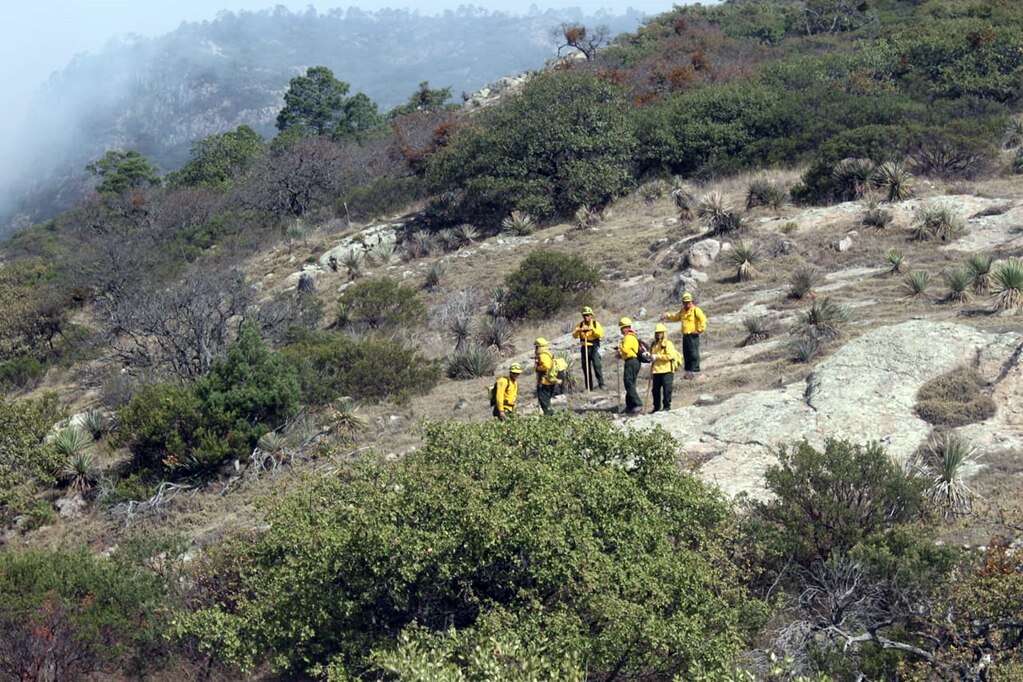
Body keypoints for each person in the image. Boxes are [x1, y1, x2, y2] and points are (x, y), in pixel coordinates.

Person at [661, 292, 707, 375]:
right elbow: (675, 317)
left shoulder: (696, 310)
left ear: (691, 301)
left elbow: (703, 319)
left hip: (693, 335)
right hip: (685, 335)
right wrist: (667, 315)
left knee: (693, 353)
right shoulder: (682, 311)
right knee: (686, 353)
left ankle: (695, 369)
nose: (686, 304)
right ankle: (688, 370)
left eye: (688, 302)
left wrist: (700, 329)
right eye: (685, 302)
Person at [571, 306, 605, 390]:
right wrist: (579, 330)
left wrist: (592, 330)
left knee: (597, 365)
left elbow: (600, 334)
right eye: (584, 315)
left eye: (587, 315)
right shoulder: (581, 324)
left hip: (593, 347)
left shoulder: (595, 324)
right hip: (584, 347)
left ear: (591, 316)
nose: (586, 317)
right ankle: (589, 387)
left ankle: (601, 384)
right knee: (586, 368)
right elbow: (574, 335)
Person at [650, 323, 681, 412]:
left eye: (660, 332)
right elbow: (653, 356)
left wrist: (658, 357)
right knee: (655, 390)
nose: (658, 334)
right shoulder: (654, 344)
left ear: (664, 333)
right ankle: (656, 407)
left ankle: (667, 406)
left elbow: (670, 356)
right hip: (656, 370)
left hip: (667, 370)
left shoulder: (668, 344)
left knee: (667, 389)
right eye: (657, 333)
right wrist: (649, 356)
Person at [616, 317, 643, 414]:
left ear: (626, 327)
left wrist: (619, 346)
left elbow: (626, 350)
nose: (621, 330)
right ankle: (630, 405)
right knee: (630, 383)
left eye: (622, 328)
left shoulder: (629, 337)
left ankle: (637, 403)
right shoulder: (630, 337)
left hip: (632, 361)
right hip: (630, 361)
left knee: (628, 382)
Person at [534, 338, 557, 416]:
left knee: (544, 401)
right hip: (550, 381)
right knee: (547, 401)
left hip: (544, 381)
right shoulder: (548, 354)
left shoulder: (543, 355)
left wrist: (538, 368)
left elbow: (546, 366)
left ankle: (549, 418)